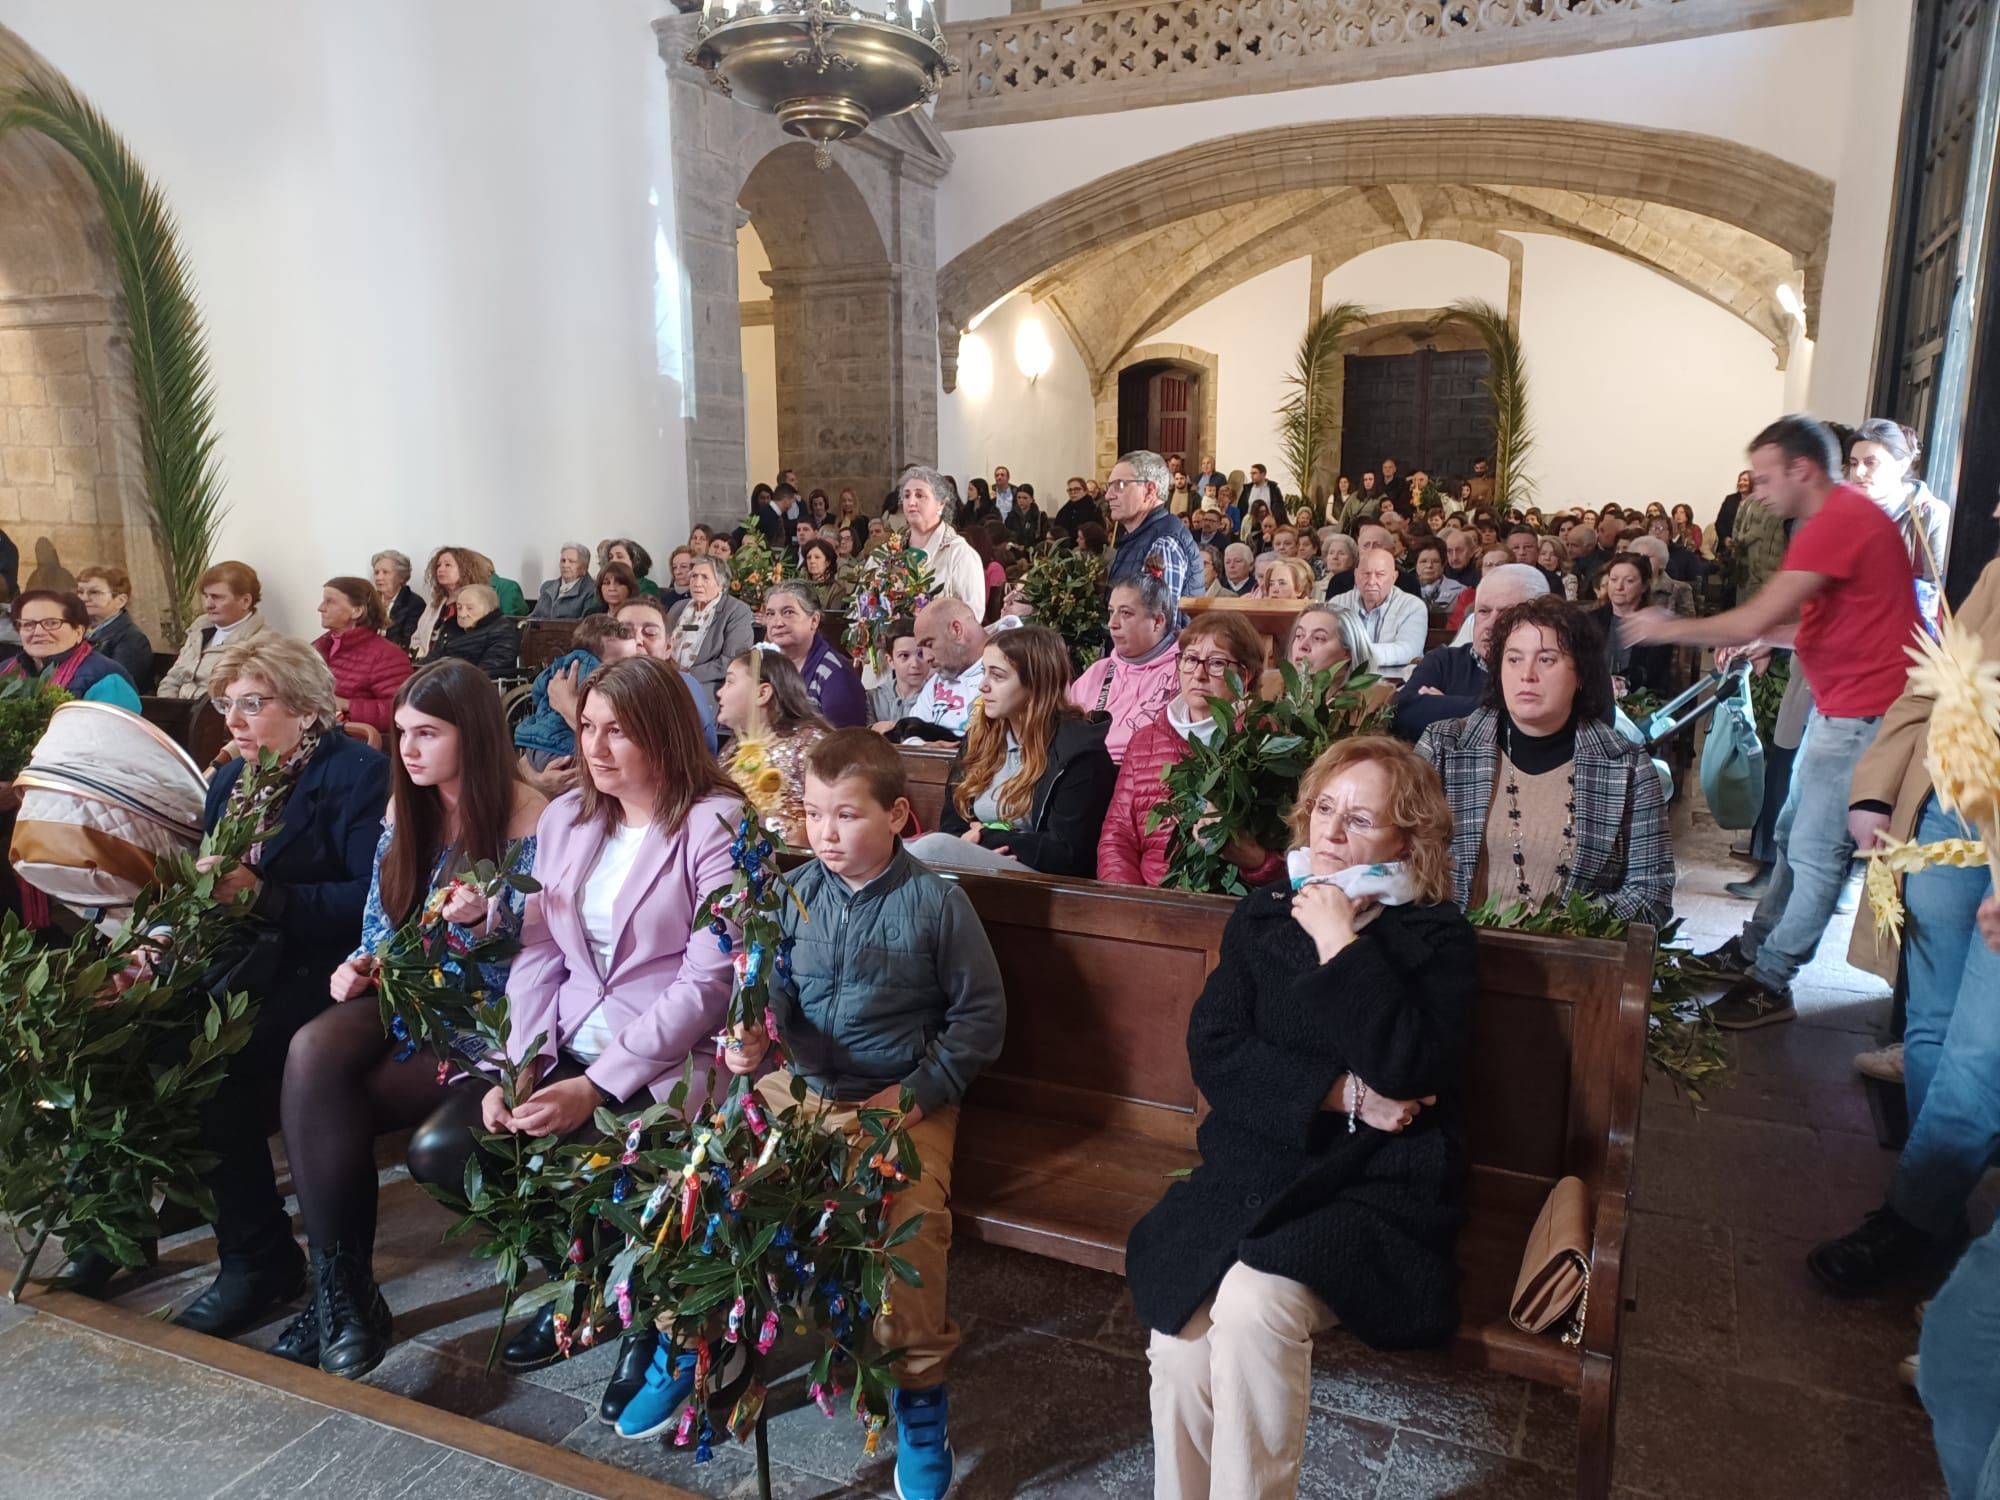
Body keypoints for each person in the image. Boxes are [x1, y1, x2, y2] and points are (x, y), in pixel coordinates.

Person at [1131, 736, 1474, 1500]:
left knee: (1253, 1304)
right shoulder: (1261, 916)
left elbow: (1409, 1070)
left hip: (1374, 1191)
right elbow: (1214, 1050)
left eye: (1360, 819)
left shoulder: (1436, 936)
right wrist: (1340, 1095)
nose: (1331, 831)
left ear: (1407, 840)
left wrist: (1337, 940)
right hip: (1256, 1170)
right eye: (1324, 809)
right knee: (1182, 1337)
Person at [405, 655, 739, 1418]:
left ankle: (638, 1312)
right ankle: (583, 1280)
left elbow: (708, 981)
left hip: (664, 1059)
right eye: (587, 727)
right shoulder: (567, 819)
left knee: (623, 1151)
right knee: (444, 1150)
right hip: (560, 1044)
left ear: (664, 735)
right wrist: (521, 1067)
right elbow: (540, 948)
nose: (595, 746)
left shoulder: (714, 822)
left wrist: (597, 1083)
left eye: (618, 730)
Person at [677, 731, 1005, 1497]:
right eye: (814, 814)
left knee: (905, 1237)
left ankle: (921, 1405)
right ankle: (703, 1347)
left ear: (897, 816)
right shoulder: (796, 895)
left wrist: (919, 1093)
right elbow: (773, 991)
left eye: (847, 815)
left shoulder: (937, 903)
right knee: (709, 1185)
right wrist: (752, 1034)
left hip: (904, 1102)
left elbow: (980, 1019)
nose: (825, 834)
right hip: (804, 1087)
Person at [268, 660, 545, 1379]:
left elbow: (541, 957)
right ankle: (343, 1296)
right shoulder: (406, 807)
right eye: (400, 734)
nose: (408, 750)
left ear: (476, 735)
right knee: (315, 1046)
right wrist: (359, 966)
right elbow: (379, 926)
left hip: (489, 1020)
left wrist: (487, 925)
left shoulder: (534, 820)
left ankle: (340, 1298)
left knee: (334, 1089)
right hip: (407, 1006)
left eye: (427, 734)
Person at [1625, 415, 1921, 1029]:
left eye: (1763, 477)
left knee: (1816, 855)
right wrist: (1775, 641)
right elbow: (1837, 621)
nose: (1755, 491)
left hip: (1862, 717)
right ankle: (1757, 946)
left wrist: (1666, 627)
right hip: (1840, 709)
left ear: (1801, 469)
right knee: (1790, 836)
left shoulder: (1836, 522)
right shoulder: (1836, 518)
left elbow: (1747, 616)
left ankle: (1773, 981)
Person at [170, 637, 389, 1336]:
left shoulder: (359, 773)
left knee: (215, 1062)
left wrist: (266, 897)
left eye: (253, 704)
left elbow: (374, 898)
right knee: (153, 1028)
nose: (234, 720)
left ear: (304, 708)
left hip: (333, 961)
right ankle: (209, 1228)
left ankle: (258, 1260)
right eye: (226, 703)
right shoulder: (230, 782)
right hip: (253, 954)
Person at [1808, 532, 2000, 1303]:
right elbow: (1935, 680)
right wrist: (1878, 786)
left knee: (1983, 1046)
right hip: (1949, 809)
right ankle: (1938, 1203)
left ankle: (1913, 1217)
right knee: (1932, 1022)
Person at [1418, 597, 1673, 925]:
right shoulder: (1445, 746)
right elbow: (1397, 857)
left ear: (1580, 673)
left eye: (1547, 660)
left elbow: (1651, 894)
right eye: (1513, 659)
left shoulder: (1626, 767)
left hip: (1570, 961)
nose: (1527, 675)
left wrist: (1562, 926)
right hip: (1449, 948)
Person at [909, 625, 1115, 876]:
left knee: (931, 849)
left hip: (1041, 883)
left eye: (997, 676)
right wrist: (974, 845)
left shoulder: (1079, 751)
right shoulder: (979, 739)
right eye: (984, 673)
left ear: (1036, 683)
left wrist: (985, 838)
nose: (983, 686)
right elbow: (952, 822)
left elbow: (1068, 852)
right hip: (978, 869)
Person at [1098, 612, 1283, 889]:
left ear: (1245, 675)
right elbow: (1117, 837)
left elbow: (1289, 860)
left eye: (1217, 663)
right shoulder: (1145, 741)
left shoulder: (1266, 742)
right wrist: (1130, 908)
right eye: (1190, 659)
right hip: (1149, 904)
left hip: (1228, 908)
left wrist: (1256, 863)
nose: (1199, 674)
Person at [716, 646, 830, 847]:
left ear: (762, 693)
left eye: (730, 682)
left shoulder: (811, 746)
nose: (719, 692)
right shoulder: (733, 748)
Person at [1848, 418, 1951, 632]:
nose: (1858, 472)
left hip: (1905, 632)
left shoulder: (1930, 514)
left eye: (1870, 462)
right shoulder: (1845, 514)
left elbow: (1937, 590)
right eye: (1853, 463)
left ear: (1901, 466)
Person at [1068, 575, 1180, 765]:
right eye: (1111, 612)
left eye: (1126, 613)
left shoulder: (1185, 672)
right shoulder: (1097, 673)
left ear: (1158, 621)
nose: (1112, 623)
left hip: (1147, 780)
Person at [514, 613, 638, 771]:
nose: (629, 668)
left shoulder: (560, 664)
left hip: (540, 741)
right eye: (620, 662)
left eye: (633, 660)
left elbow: (538, 689)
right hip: (562, 747)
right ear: (595, 657)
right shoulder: (590, 669)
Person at [882, 597, 998, 742]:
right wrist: (923, 748)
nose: (926, 658)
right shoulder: (936, 682)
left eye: (929, 644)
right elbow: (909, 734)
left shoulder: (1009, 668)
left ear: (957, 630)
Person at [2, 590, 141, 710]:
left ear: (78, 632)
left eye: (51, 623)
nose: (38, 632)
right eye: (28, 624)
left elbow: (111, 737)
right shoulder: (4, 670)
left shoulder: (108, 679)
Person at [312, 576, 413, 734]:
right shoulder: (318, 647)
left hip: (353, 743)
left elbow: (401, 710)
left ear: (357, 611)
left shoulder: (387, 655)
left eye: (330, 601)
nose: (320, 607)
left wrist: (345, 704)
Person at [760, 581, 866, 729]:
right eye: (770, 614)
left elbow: (844, 745)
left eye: (788, 612)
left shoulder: (835, 674)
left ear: (814, 620)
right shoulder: (762, 666)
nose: (777, 623)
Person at [1106, 450, 1202, 611]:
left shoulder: (1164, 542)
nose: (1108, 495)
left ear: (1150, 490)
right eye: (1109, 486)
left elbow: (1159, 624)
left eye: (1120, 485)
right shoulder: (1135, 536)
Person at [157, 561, 268, 698]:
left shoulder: (262, 645)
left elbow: (232, 698)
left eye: (217, 597)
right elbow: (171, 680)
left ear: (245, 601)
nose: (208, 605)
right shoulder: (198, 629)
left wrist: (186, 694)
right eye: (206, 596)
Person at [1328, 545, 1427, 683]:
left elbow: (1409, 650)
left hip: (1394, 684)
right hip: (1342, 681)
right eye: (1366, 574)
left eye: (1380, 575)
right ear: (1356, 576)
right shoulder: (1338, 603)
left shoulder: (1412, 606)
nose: (1371, 581)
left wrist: (1354, 653)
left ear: (1393, 577)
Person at [898, 465, 987, 611]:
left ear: (940, 504)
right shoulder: (889, 552)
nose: (911, 502)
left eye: (919, 495)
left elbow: (972, 614)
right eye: (907, 495)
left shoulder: (960, 553)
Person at [669, 554, 756, 693]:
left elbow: (733, 660)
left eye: (705, 577)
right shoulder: (678, 607)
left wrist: (687, 675)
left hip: (707, 686)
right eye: (694, 576)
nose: (697, 583)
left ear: (720, 584)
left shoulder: (736, 611)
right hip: (669, 680)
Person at [1591, 554, 1676, 696]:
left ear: (1644, 586)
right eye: (1613, 579)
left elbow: (1654, 673)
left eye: (1629, 581)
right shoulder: (1589, 621)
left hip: (1638, 701)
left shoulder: (1656, 625)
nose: (1619, 587)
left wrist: (1624, 683)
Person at [75, 565, 156, 693]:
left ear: (120, 601)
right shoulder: (76, 633)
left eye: (94, 592)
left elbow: (119, 686)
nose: (83, 598)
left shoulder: (132, 639)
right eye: (80, 592)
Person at [409, 547, 494, 661]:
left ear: (465, 569)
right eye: (438, 565)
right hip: (425, 664)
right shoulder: (435, 603)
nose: (440, 569)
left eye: (447, 565)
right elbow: (417, 638)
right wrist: (421, 658)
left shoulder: (478, 602)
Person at [432, 584, 519, 680]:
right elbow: (432, 658)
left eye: (470, 608)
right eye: (459, 607)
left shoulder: (502, 631)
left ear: (488, 609)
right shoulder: (451, 627)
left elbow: (489, 670)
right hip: (440, 681)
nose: (462, 614)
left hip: (465, 685)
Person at [868, 618, 931, 726]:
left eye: (921, 654)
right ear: (890, 660)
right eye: (904, 656)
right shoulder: (873, 698)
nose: (915, 664)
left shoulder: (937, 700)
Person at [531, 543, 602, 620]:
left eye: (571, 561)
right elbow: (534, 617)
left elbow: (586, 625)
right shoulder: (547, 586)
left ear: (584, 566)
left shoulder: (591, 590)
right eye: (563, 560)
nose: (565, 565)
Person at [372, 550, 425, 651]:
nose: (379, 577)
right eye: (376, 572)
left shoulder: (414, 603)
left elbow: (406, 642)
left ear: (401, 577)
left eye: (385, 572)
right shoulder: (369, 600)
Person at [1410, 537, 1466, 615]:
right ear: (1416, 564)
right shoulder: (1405, 590)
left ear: (1443, 564)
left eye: (1435, 562)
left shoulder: (1461, 592)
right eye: (1423, 561)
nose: (1429, 566)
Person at [799, 539, 854, 612]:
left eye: (817, 557)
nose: (812, 561)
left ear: (827, 562)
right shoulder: (799, 585)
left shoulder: (837, 589)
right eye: (809, 558)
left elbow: (831, 617)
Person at [659, 546, 694, 616]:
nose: (678, 572)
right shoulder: (666, 598)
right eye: (674, 567)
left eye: (683, 566)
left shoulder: (699, 598)